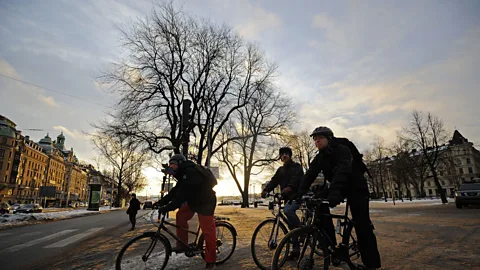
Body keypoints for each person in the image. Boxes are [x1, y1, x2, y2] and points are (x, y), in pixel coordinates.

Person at [297, 126, 381, 269]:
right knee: (318, 205)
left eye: (320, 138)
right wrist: (298, 193)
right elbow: (310, 175)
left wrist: (334, 192)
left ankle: (372, 264)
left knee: (362, 224)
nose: (316, 141)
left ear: (329, 139)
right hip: (339, 186)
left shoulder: (342, 149)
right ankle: (329, 244)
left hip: (356, 186)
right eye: (315, 139)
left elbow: (343, 171)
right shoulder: (320, 157)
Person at [155, 154, 217, 269]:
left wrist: (168, 207)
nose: (170, 167)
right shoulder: (183, 174)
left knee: (207, 231)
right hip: (194, 200)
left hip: (206, 202)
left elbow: (180, 197)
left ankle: (211, 260)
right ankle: (182, 244)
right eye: (169, 164)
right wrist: (161, 202)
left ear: (179, 163)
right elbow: (175, 191)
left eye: (172, 164)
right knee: (181, 215)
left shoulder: (190, 173)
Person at [261, 147, 304, 260]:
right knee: (290, 225)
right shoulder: (280, 170)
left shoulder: (297, 167)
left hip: (297, 197)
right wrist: (266, 190)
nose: (284, 156)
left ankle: (302, 231)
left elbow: (296, 179)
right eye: (282, 154)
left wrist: (289, 187)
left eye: (286, 154)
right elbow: (274, 181)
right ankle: (295, 249)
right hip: (287, 198)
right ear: (280, 157)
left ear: (290, 156)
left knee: (288, 211)